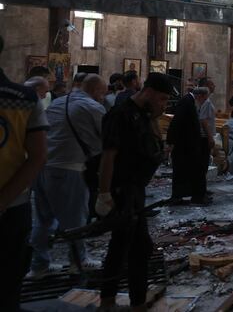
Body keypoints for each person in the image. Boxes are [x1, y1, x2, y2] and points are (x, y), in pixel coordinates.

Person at [95, 73, 171, 312]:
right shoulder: (120, 115)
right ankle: (116, 301)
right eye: (161, 99)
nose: (163, 105)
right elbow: (108, 156)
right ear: (147, 92)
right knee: (128, 248)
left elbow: (152, 148)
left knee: (134, 247)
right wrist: (104, 194)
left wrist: (155, 117)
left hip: (136, 189)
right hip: (121, 190)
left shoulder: (143, 116)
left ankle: (131, 301)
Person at [29, 73, 106, 277]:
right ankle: (78, 261)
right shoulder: (93, 107)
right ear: (96, 90)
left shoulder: (57, 103)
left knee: (43, 219)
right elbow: (107, 137)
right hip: (69, 169)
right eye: (102, 92)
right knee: (76, 219)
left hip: (43, 167)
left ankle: (39, 265)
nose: (102, 97)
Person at [0, 35, 49, 311]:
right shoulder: (24, 98)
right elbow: (38, 156)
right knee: (8, 283)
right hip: (13, 206)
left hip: (12, 206)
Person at [167, 85, 204, 204]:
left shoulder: (188, 100)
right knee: (180, 170)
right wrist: (171, 141)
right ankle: (178, 196)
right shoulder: (187, 101)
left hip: (186, 143)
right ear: (199, 96)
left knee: (185, 170)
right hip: (183, 144)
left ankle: (183, 195)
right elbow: (177, 121)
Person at [194, 83, 216, 205]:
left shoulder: (201, 103)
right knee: (202, 165)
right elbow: (204, 120)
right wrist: (210, 137)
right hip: (204, 137)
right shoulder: (206, 103)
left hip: (202, 137)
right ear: (203, 95)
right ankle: (200, 194)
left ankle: (201, 191)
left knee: (202, 165)